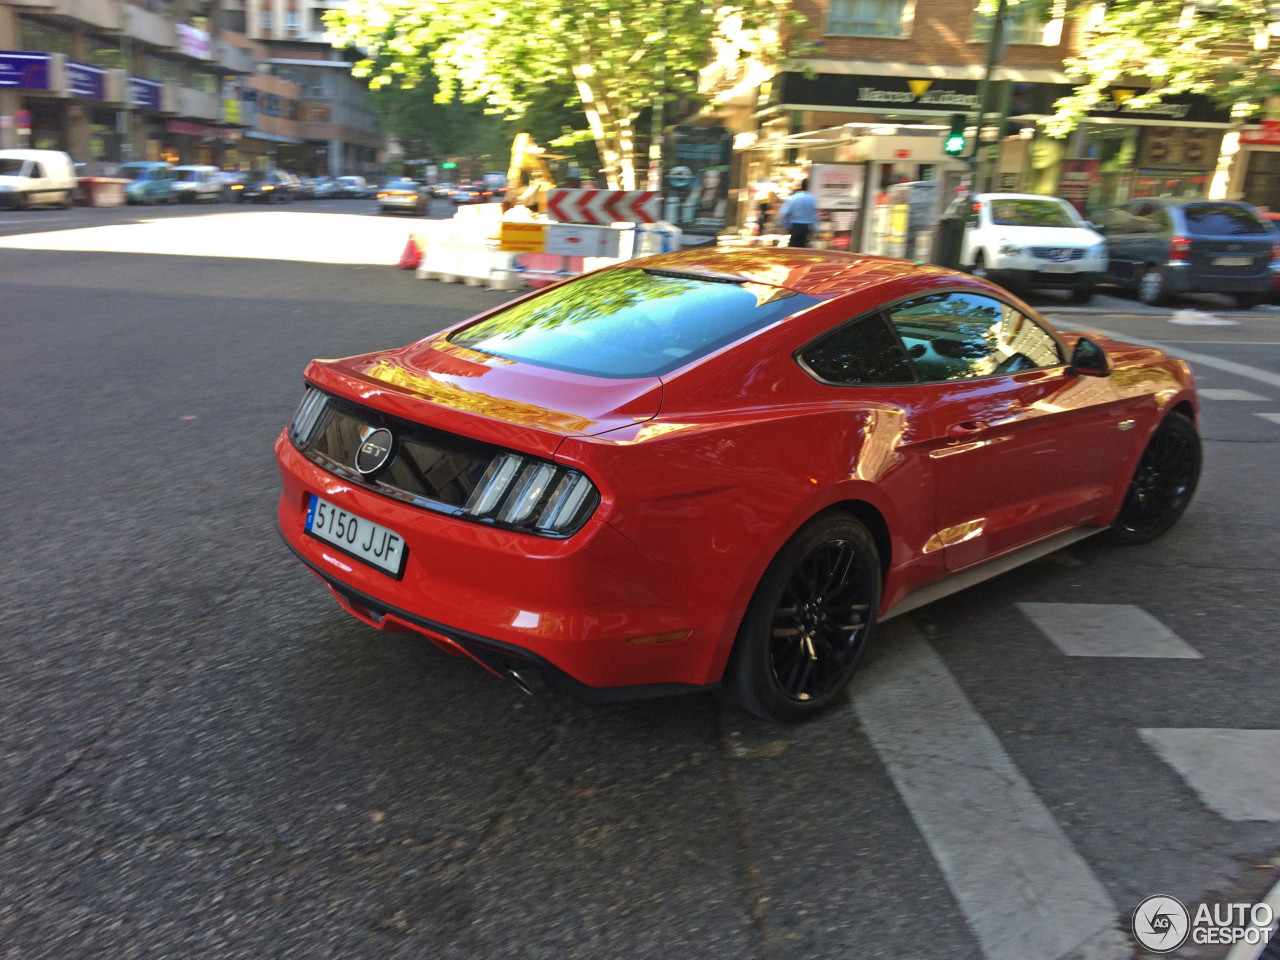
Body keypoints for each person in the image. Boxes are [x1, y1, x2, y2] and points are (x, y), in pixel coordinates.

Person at [778, 178, 817, 248]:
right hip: (807, 227)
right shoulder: (812, 198)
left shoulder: (793, 197)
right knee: (803, 246)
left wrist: (784, 225)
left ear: (801, 186)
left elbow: (785, 212)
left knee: (794, 247)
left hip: (795, 226)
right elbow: (814, 215)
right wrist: (815, 228)